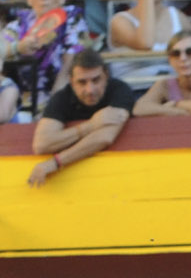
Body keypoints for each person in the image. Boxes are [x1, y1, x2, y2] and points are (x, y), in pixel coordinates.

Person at [27, 51, 135, 185]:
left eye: (96, 80)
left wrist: (56, 162)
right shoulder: (62, 97)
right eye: (82, 82)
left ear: (106, 76)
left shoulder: (120, 90)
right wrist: (91, 125)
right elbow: (41, 145)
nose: (90, 89)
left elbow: (105, 137)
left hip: (119, 178)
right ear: (71, 82)